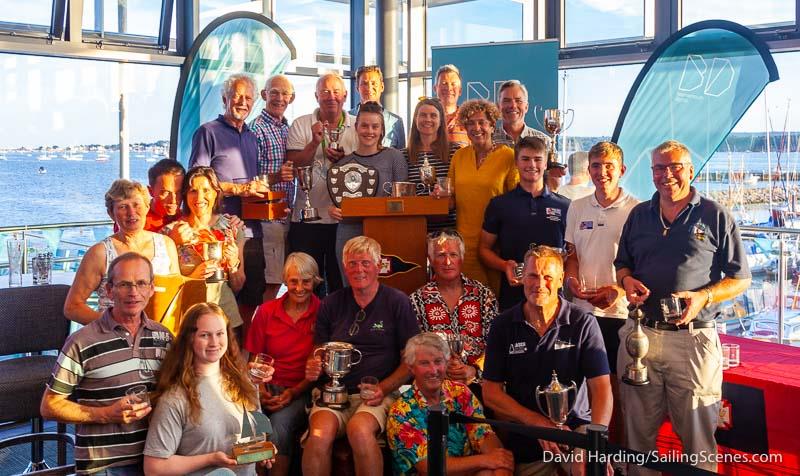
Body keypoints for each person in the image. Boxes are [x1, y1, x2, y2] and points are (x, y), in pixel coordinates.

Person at [615, 140, 752, 475]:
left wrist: (702, 297)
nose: (667, 175)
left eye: (675, 167)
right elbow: (623, 266)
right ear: (651, 174)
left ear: (691, 171)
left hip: (693, 341)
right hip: (640, 337)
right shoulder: (639, 215)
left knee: (697, 438)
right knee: (636, 437)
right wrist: (626, 281)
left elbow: (741, 279)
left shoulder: (715, 215)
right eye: (659, 168)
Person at [482, 245, 612, 475]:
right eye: (532, 275)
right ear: (522, 278)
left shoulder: (583, 322)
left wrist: (595, 440)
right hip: (526, 435)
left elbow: (602, 389)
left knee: (593, 468)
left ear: (561, 280)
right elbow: (491, 393)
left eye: (548, 277)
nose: (540, 284)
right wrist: (536, 423)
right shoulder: (502, 325)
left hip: (576, 432)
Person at [41, 252, 173, 474]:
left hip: (155, 459)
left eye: (141, 283)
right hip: (103, 466)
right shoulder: (82, 341)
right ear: (109, 290)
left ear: (151, 289)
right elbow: (49, 406)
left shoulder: (164, 337)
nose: (133, 292)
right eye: (124, 284)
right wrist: (105, 414)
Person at [302, 236, 420, 476]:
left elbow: (410, 361)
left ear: (379, 266)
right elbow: (319, 352)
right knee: (318, 434)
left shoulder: (398, 302)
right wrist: (314, 365)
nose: (359, 270)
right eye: (352, 264)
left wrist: (383, 389)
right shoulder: (331, 303)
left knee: (359, 431)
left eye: (365, 263)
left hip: (378, 395)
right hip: (334, 393)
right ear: (345, 268)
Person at [144, 302, 276, 476]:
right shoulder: (175, 399)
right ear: (190, 339)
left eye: (220, 334)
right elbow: (154, 468)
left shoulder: (245, 382)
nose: (214, 342)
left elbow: (258, 433)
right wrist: (211, 459)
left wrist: (263, 450)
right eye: (205, 335)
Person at [563, 141, 639, 444]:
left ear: (621, 170)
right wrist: (570, 281)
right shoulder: (576, 206)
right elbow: (571, 254)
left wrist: (618, 291)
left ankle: (615, 458)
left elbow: (641, 265)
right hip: (582, 312)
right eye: (596, 165)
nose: (602, 172)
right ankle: (587, 454)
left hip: (619, 313)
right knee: (582, 385)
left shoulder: (637, 210)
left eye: (609, 166)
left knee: (616, 388)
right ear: (589, 169)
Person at [188, 73, 270, 326]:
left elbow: (252, 183)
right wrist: (241, 189)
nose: (243, 102)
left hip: (251, 230)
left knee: (251, 299)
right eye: (237, 96)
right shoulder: (207, 132)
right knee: (215, 300)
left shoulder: (252, 137)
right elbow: (198, 180)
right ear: (225, 99)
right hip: (217, 231)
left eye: (248, 98)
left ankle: (240, 358)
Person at [387, 332, 514, 475]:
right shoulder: (401, 412)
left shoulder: (460, 392)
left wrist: (500, 466)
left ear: (446, 363)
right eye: (424, 363)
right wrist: (487, 460)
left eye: (438, 361)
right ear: (411, 368)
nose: (433, 370)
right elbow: (430, 467)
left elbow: (483, 434)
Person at [244, 252, 322, 476]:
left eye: (306, 281)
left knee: (278, 424)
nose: (299, 288)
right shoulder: (267, 311)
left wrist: (292, 393)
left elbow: (318, 366)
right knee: (250, 423)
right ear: (285, 281)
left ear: (315, 281)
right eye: (293, 281)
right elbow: (254, 359)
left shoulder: (322, 311)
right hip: (266, 386)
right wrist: (260, 390)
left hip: (301, 390)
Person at [64, 179, 180, 324]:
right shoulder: (100, 253)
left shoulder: (166, 244)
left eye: (137, 205)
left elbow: (177, 297)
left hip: (158, 335)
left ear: (147, 207)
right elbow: (72, 307)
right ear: (111, 213)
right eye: (123, 207)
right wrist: (113, 326)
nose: (131, 213)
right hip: (114, 339)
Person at [286, 72, 359, 296]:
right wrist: (314, 143)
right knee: (307, 282)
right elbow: (292, 164)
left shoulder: (357, 126)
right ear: (316, 95)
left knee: (341, 280)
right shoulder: (301, 124)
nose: (331, 96)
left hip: (345, 218)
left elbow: (367, 165)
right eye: (325, 91)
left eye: (336, 91)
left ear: (345, 95)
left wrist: (345, 158)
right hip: (308, 217)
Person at [479, 136, 569, 311]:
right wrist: (505, 265)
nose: (532, 165)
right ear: (516, 163)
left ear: (546, 164)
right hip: (513, 295)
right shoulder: (500, 205)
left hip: (552, 295)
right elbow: (483, 250)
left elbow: (573, 253)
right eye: (526, 159)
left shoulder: (565, 206)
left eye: (537, 159)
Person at [328, 101, 408, 283]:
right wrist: (332, 209)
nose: (369, 131)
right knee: (352, 288)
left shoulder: (395, 157)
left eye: (375, 126)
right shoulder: (343, 164)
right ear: (356, 127)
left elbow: (405, 201)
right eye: (364, 125)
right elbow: (338, 201)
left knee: (387, 288)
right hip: (350, 233)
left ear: (382, 130)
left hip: (386, 231)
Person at [161, 166, 246, 335]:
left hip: (225, 319)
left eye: (206, 190)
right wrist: (191, 277)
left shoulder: (232, 229)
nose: (199, 197)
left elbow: (237, 286)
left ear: (216, 193)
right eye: (193, 191)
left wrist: (233, 264)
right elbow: (164, 287)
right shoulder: (170, 233)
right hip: (187, 320)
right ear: (185, 195)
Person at [444, 99, 518, 291]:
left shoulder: (507, 156)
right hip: (464, 245)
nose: (476, 128)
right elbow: (450, 198)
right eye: (470, 123)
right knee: (469, 304)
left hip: (495, 245)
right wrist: (439, 195)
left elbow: (516, 198)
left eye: (482, 122)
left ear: (492, 125)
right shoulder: (459, 156)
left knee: (494, 303)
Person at [410, 230, 498, 387]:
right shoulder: (416, 301)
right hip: (436, 388)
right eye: (441, 255)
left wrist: (475, 370)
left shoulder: (484, 296)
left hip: (480, 385)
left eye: (453, 255)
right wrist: (439, 368)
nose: (447, 262)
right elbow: (412, 352)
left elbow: (497, 344)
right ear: (430, 259)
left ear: (462, 258)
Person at [252, 74, 297, 304]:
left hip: (286, 216)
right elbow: (251, 178)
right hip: (268, 218)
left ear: (292, 97)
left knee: (280, 279)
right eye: (274, 92)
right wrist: (278, 176)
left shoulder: (287, 128)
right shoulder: (257, 129)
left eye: (284, 93)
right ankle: (261, 334)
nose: (279, 98)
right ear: (263, 95)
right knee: (270, 284)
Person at [404, 97, 459, 231]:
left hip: (448, 228)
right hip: (414, 228)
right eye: (423, 115)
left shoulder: (455, 152)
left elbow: (462, 193)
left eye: (433, 115)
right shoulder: (403, 156)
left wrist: (447, 196)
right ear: (415, 120)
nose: (428, 119)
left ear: (441, 121)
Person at [349, 65, 406, 149]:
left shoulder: (396, 122)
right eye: (364, 83)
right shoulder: (347, 118)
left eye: (373, 83)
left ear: (382, 87)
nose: (369, 88)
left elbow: (401, 157)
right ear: (357, 88)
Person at [491, 80, 549, 148]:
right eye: (507, 101)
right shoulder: (489, 140)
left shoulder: (544, 141)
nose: (513, 105)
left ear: (526, 107)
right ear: (498, 107)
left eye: (518, 101)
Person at [145, 158, 186, 233]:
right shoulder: (138, 224)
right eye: (165, 193)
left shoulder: (185, 218)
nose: (173, 200)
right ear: (151, 191)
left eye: (179, 192)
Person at [435, 64, 468, 147]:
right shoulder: (427, 120)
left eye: (453, 84)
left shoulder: (468, 119)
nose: (449, 88)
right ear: (435, 89)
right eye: (444, 83)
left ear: (460, 91)